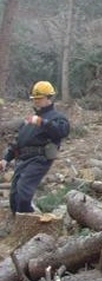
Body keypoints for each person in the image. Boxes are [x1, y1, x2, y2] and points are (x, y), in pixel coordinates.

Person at [0, 81, 70, 214]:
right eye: (34, 99)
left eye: (39, 99)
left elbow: (62, 131)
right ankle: (19, 223)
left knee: (24, 190)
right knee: (14, 194)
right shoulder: (31, 120)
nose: (36, 102)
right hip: (22, 159)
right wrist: (6, 159)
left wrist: (43, 123)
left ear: (49, 98)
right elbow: (18, 141)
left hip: (40, 159)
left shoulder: (57, 118)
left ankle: (28, 220)